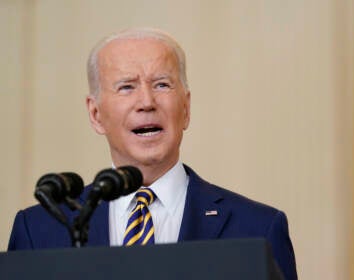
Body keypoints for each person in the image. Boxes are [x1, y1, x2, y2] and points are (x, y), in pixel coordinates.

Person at [8, 28, 297, 279]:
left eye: (161, 84)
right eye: (126, 87)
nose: (146, 101)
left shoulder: (257, 228)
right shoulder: (39, 230)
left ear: (186, 108)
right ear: (95, 114)